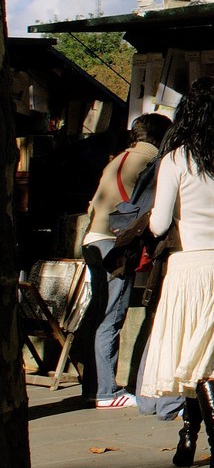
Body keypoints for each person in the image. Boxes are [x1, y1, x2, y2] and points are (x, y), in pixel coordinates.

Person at [138, 77, 214, 468]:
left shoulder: (175, 160)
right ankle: (188, 438)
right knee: (205, 357)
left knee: (197, 359)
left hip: (190, 268)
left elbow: (160, 223)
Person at [81, 113, 171, 408]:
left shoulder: (118, 158)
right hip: (114, 244)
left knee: (98, 315)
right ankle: (107, 392)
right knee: (112, 317)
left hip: (92, 239)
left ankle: (94, 387)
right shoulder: (154, 161)